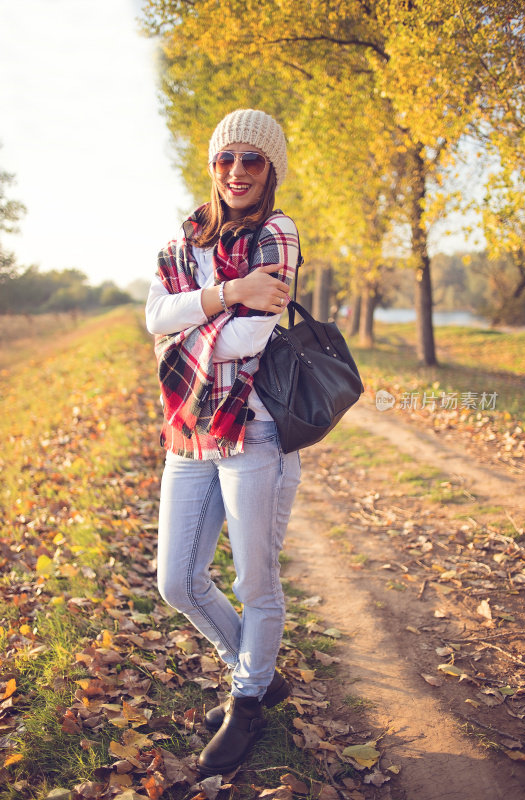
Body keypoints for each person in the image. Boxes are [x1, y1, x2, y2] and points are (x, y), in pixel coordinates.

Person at [145, 108, 302, 776]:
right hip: (191, 430)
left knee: (253, 580)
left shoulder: (276, 233)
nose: (236, 172)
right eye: (224, 159)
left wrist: (185, 326)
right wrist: (232, 291)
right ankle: (259, 676)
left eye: (252, 160)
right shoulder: (183, 245)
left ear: (270, 171)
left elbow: (250, 338)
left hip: (256, 430)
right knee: (176, 580)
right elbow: (153, 316)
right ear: (211, 167)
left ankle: (245, 701)